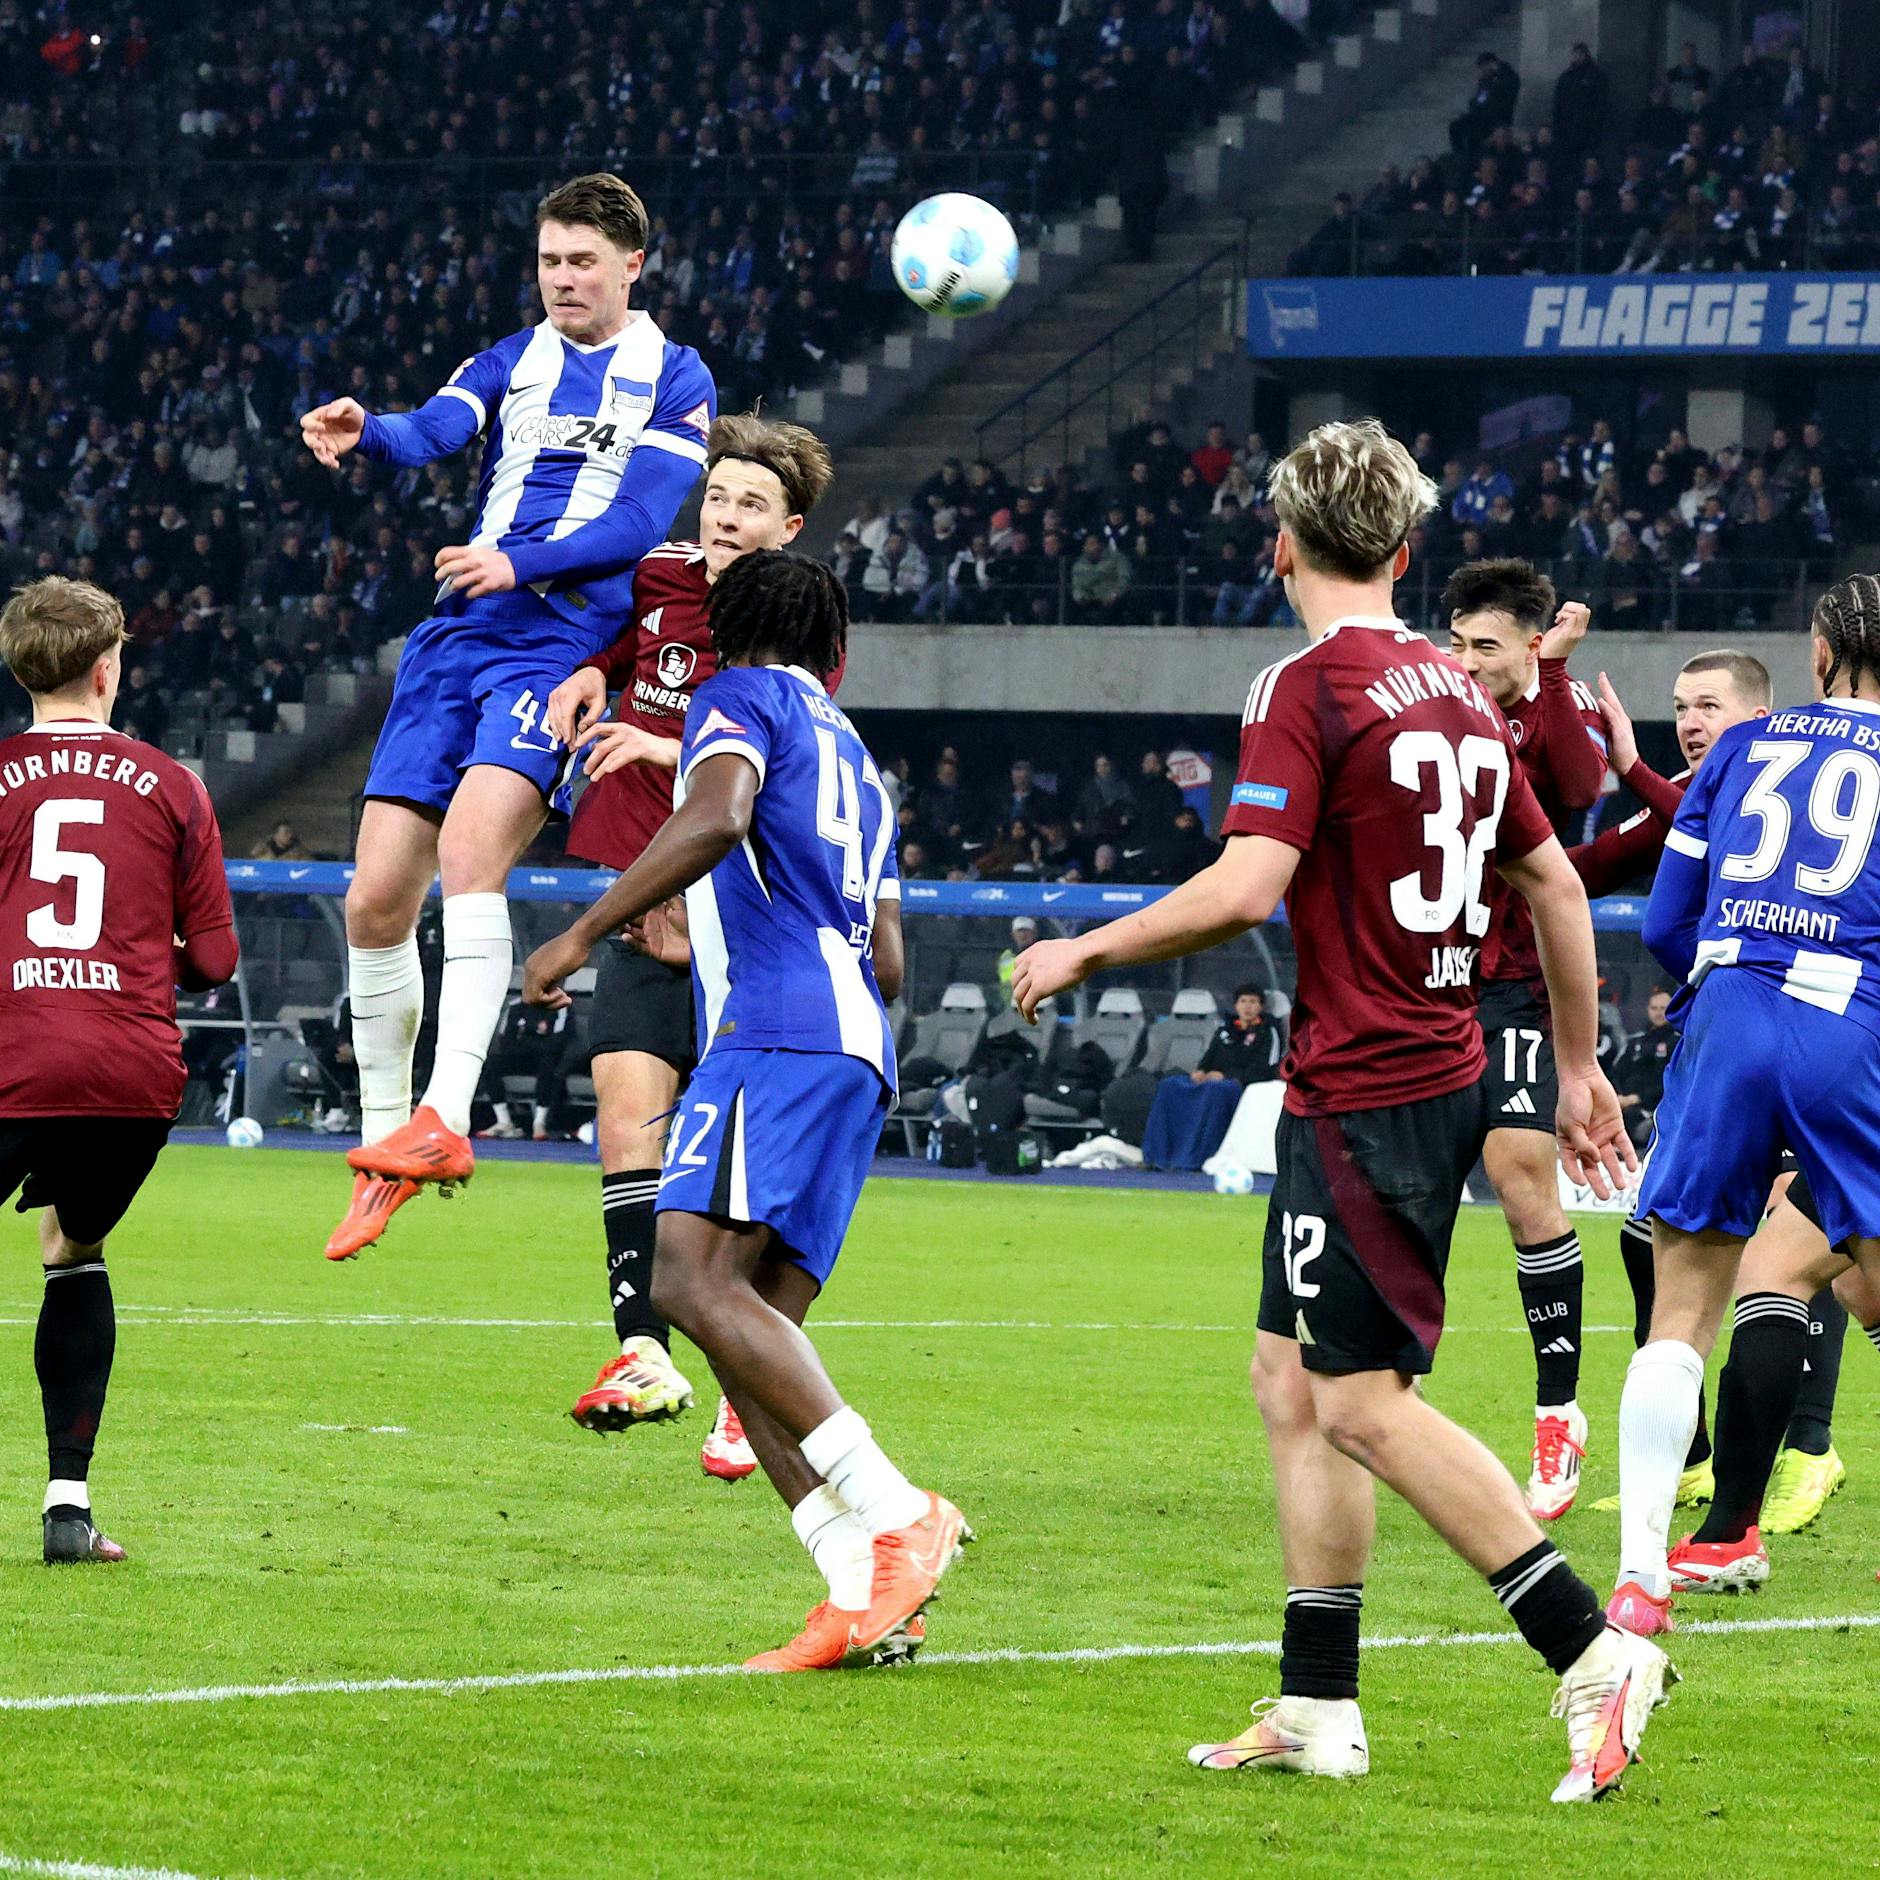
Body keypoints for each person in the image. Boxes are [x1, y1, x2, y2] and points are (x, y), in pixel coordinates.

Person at [1011, 419, 1663, 1802]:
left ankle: (1590, 1653)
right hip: (1397, 1071)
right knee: (1289, 1387)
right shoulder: (1465, 690)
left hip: (1372, 1085)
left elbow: (1249, 884)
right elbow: (1552, 883)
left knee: (1362, 1402)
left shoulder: (1305, 683)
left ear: (1282, 546)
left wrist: (1087, 945)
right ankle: (1318, 1709)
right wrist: (1582, 1060)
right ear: (1409, 551)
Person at [523, 550, 968, 1671]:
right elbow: (895, 954)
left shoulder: (736, 693)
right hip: (855, 1039)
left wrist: (583, 929)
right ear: (839, 648)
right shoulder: (859, 760)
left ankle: (896, 1510)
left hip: (774, 1031)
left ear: (724, 633)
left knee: (681, 1278)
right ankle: (857, 1588)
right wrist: (703, 931)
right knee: (746, 1329)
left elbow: (717, 816)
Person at [301, 174, 716, 1261]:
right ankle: (384, 1136)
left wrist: (517, 560)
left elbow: (635, 522)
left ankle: (446, 1113)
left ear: (634, 264)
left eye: (582, 261)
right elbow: (441, 423)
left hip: (557, 636)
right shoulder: (513, 357)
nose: (563, 280)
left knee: (474, 849)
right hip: (457, 632)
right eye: (549, 261)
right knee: (375, 897)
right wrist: (369, 430)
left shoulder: (674, 376)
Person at [536, 412, 835, 1478]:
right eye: (716, 495)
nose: (724, 515)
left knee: (737, 1171)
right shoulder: (656, 572)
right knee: (624, 1116)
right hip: (632, 891)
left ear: (787, 525)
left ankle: (744, 1383)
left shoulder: (796, 618)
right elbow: (607, 645)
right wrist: (583, 673)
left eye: (750, 503)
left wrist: (657, 737)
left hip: (731, 915)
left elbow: (785, 747)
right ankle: (641, 1352)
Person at [1612, 576, 1880, 1638]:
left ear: (1815, 655)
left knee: (1680, 1306)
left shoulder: (1736, 748)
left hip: (1726, 1007)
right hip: (1848, 1023)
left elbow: (1668, 916)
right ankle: (1730, 1526)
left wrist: (1711, 988)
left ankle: (1642, 1572)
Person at [0, 576, 239, 1562]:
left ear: (22, 673)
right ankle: (66, 1509)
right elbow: (217, 961)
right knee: (73, 1247)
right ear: (108, 672)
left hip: (14, 1051)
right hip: (129, 1074)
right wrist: (136, 954)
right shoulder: (174, 783)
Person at [1444, 561, 1609, 1518]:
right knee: (1412, 1195)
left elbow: (1582, 784)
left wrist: (1550, 676)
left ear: (1533, 645)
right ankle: (1389, 1405)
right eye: (1458, 641)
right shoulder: (1434, 706)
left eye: (1488, 646)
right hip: (1426, 988)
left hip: (1510, 989)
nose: (1467, 662)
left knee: (1519, 1182)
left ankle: (1558, 1414)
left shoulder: (1552, 704)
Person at [1140, 985, 1280, 1172]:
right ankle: (1157, 1156)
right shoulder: (1224, 1030)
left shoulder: (1268, 1032)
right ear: (1236, 1006)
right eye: (1243, 1001)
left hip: (1240, 1085)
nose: (1248, 1006)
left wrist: (1228, 1076)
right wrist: (1201, 1071)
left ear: (1261, 1007)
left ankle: (1197, 1157)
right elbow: (1208, 1060)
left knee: (1216, 1090)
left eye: (1253, 1002)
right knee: (1170, 1085)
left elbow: (1267, 1069)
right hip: (1213, 1081)